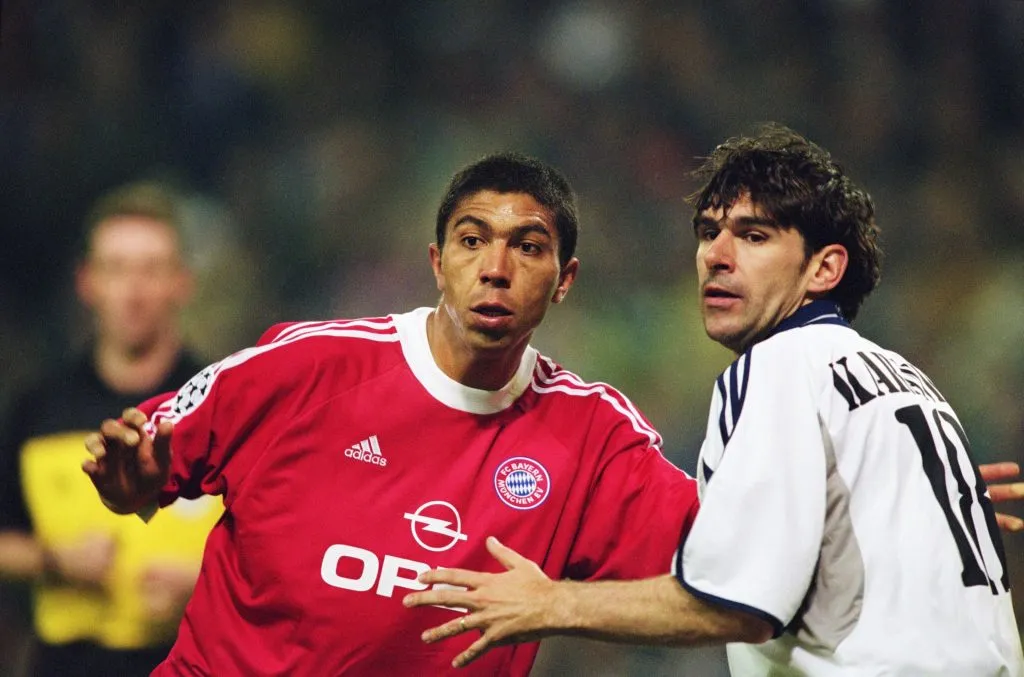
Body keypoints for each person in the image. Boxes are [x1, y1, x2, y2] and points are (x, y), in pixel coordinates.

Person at [405, 127, 1024, 676]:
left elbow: (743, 603)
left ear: (824, 268)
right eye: (708, 233)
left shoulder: (780, 366)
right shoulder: (909, 379)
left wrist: (549, 603)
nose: (716, 257)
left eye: (753, 236)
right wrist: (887, 497)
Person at [80, 153, 703, 676]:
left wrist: (561, 605)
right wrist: (127, 483)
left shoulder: (591, 437)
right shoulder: (305, 367)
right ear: (438, 262)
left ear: (564, 279)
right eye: (472, 240)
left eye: (528, 247)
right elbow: (141, 472)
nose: (495, 269)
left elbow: (726, 579)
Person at [0, 181, 223, 677]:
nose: (133, 291)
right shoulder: (38, 409)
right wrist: (53, 562)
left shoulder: (221, 404)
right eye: (116, 269)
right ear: (87, 282)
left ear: (181, 282)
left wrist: (205, 583)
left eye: (150, 270)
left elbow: (273, 550)